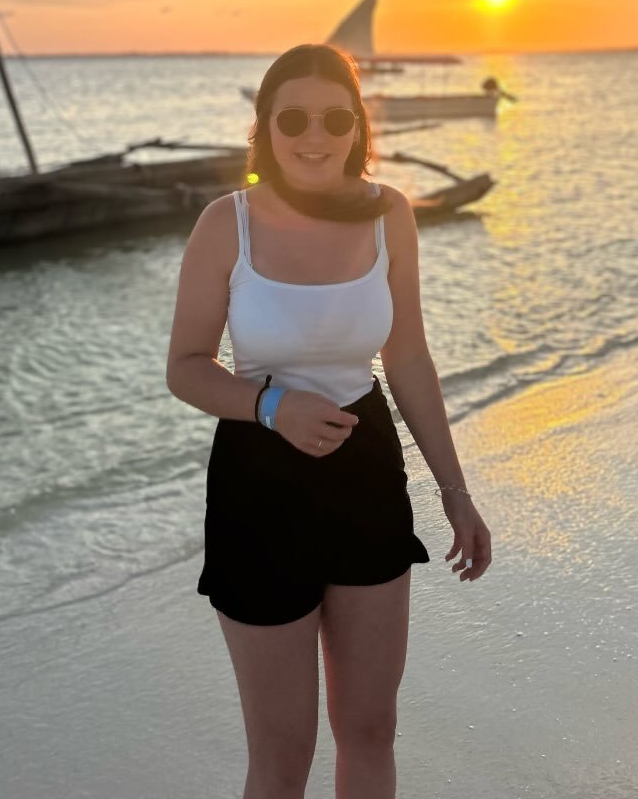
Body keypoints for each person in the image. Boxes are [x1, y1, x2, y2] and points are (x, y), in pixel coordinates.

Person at [166, 42, 492, 799]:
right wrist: (270, 404)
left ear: (358, 127)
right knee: (282, 759)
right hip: (257, 483)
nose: (315, 136)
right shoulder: (226, 223)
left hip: (366, 473)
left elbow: (407, 357)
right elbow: (185, 366)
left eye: (335, 119)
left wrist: (456, 492)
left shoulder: (390, 214)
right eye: (294, 119)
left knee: (370, 730)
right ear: (265, 127)